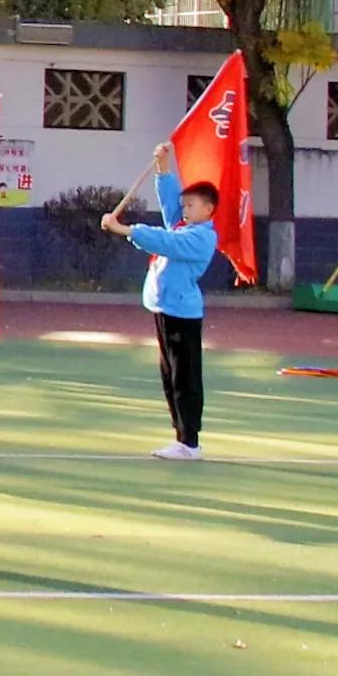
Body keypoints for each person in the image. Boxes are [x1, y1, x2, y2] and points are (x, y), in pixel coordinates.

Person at [103, 141, 224, 462]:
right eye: (185, 207)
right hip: (165, 308)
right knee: (170, 375)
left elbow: (166, 240)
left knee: (184, 377)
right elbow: (170, 205)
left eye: (191, 206)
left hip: (182, 313)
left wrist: (125, 229)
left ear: (208, 209)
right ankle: (181, 437)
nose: (183, 211)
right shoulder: (186, 224)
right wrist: (163, 166)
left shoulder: (201, 237)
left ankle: (190, 441)